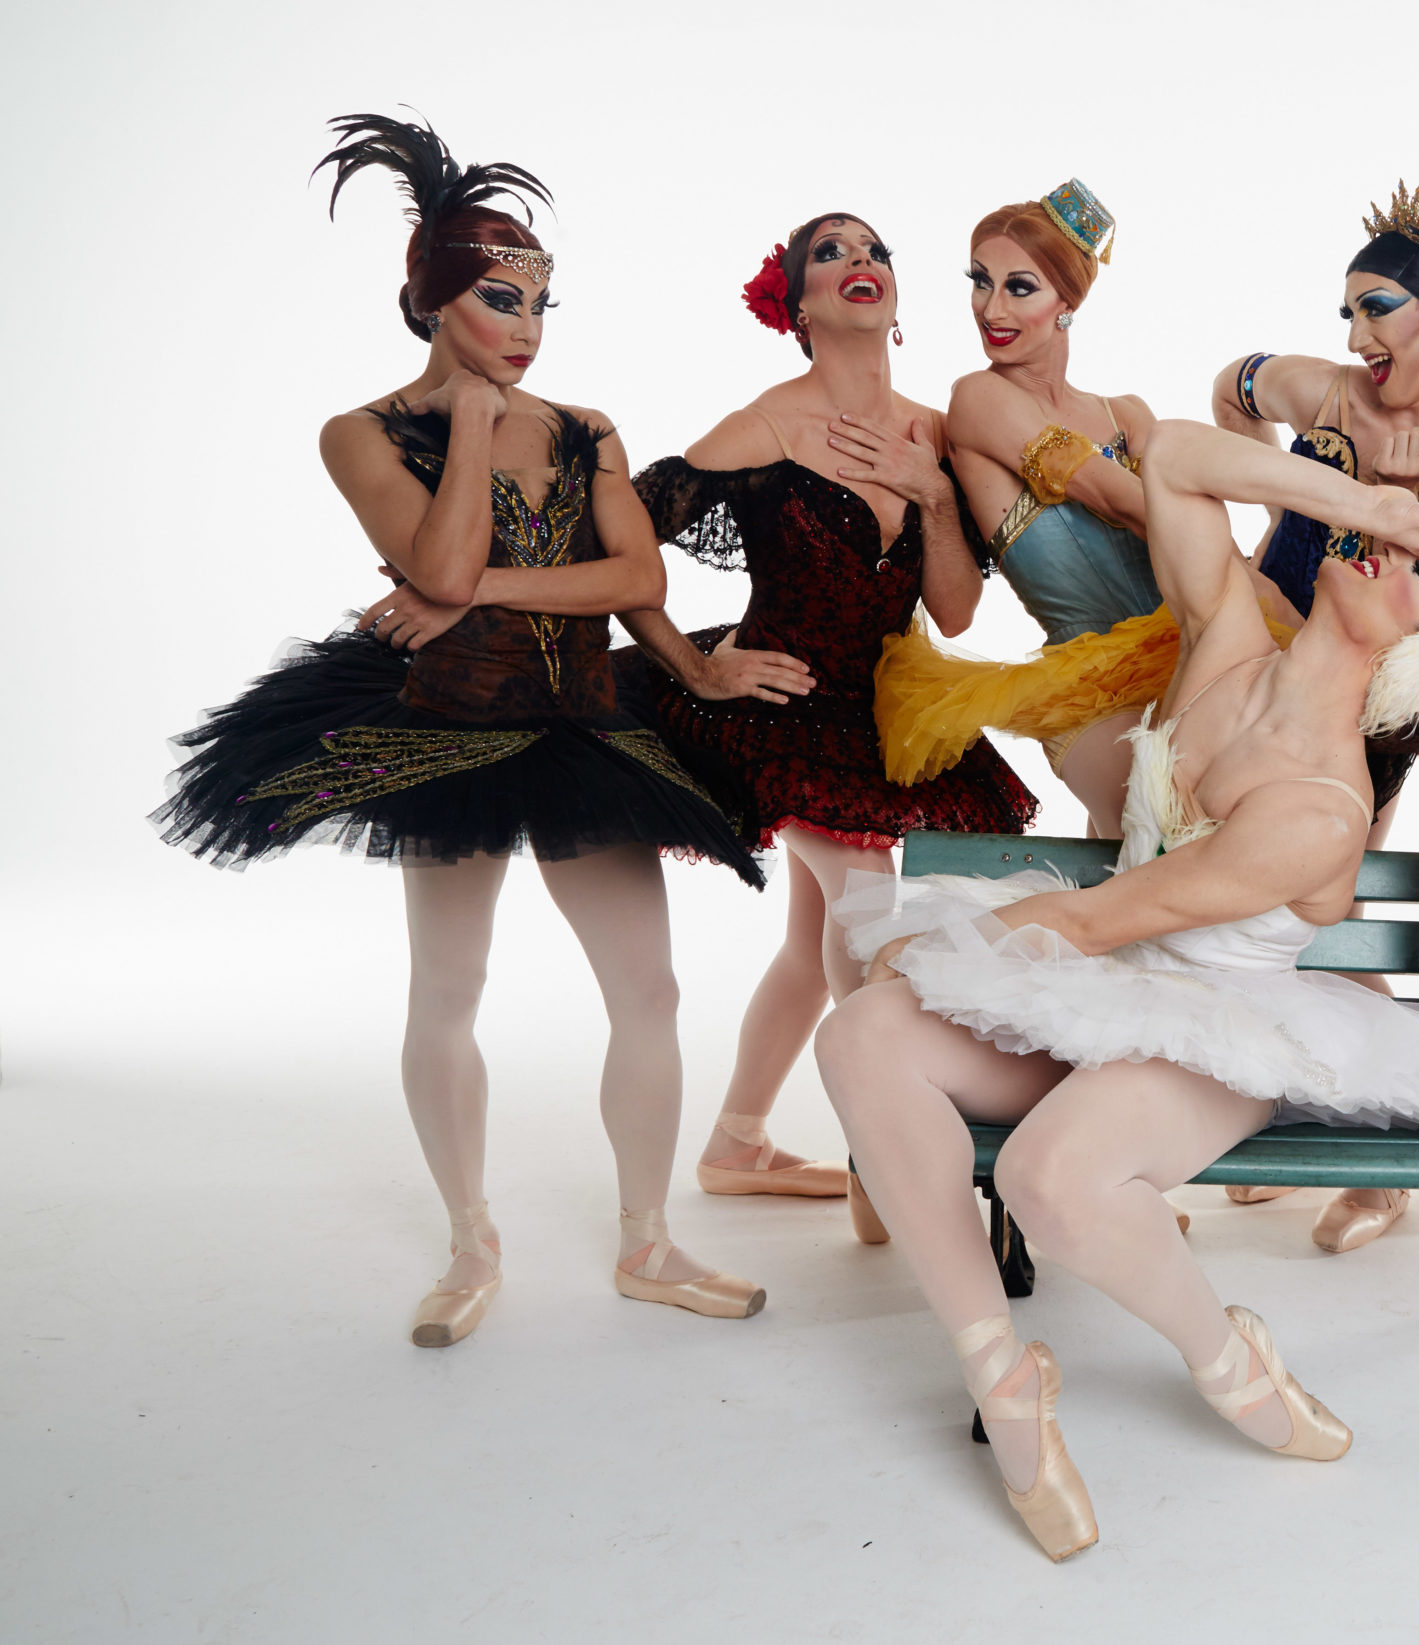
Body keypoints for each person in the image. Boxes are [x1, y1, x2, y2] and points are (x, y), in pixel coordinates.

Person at [812, 419, 1419, 1560]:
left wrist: (932, 953)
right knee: (862, 1036)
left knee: (1044, 1177)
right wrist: (1367, 506)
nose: (1390, 546)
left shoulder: (1320, 800)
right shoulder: (1226, 644)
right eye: (1395, 530)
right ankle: (1002, 1374)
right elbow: (1170, 456)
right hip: (1094, 991)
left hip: (1216, 1030)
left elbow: (1099, 915)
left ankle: (1227, 1360)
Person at [155, 114, 762, 1346]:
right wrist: (477, 422)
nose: (528, 328)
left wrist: (478, 598)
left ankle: (646, 1236)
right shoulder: (363, 432)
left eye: (542, 302)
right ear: (435, 302)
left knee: (648, 987)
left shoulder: (588, 427)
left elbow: (631, 576)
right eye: (500, 298)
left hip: (585, 720)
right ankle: (470, 1239)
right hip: (448, 730)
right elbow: (430, 554)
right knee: (449, 986)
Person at [612, 213, 1036, 1226]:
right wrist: (693, 662)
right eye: (831, 253)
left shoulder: (936, 430)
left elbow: (958, 610)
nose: (861, 262)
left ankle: (737, 1141)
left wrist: (934, 493)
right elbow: (619, 537)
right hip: (780, 705)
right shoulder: (765, 424)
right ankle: (884, 1147)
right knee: (866, 911)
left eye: (876, 250)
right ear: (797, 304)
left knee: (815, 944)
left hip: (883, 713)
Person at [1209, 181, 1419, 1247]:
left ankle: (1392, 1134)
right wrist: (1292, 500)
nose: (1356, 335)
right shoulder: (1328, 393)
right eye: (1349, 311)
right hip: (1248, 662)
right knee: (1221, 900)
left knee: (1317, 915)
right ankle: (1258, 1101)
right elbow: (1229, 393)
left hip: (1367, 705)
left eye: (1377, 310)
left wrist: (1397, 513)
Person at [871, 181, 1184, 837]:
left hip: (1188, 660)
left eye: (1019, 287)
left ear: (1066, 302)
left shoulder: (1126, 413)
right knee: (1172, 831)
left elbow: (1178, 516)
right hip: (1089, 688)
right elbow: (1117, 497)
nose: (989, 306)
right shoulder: (978, 399)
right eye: (979, 281)